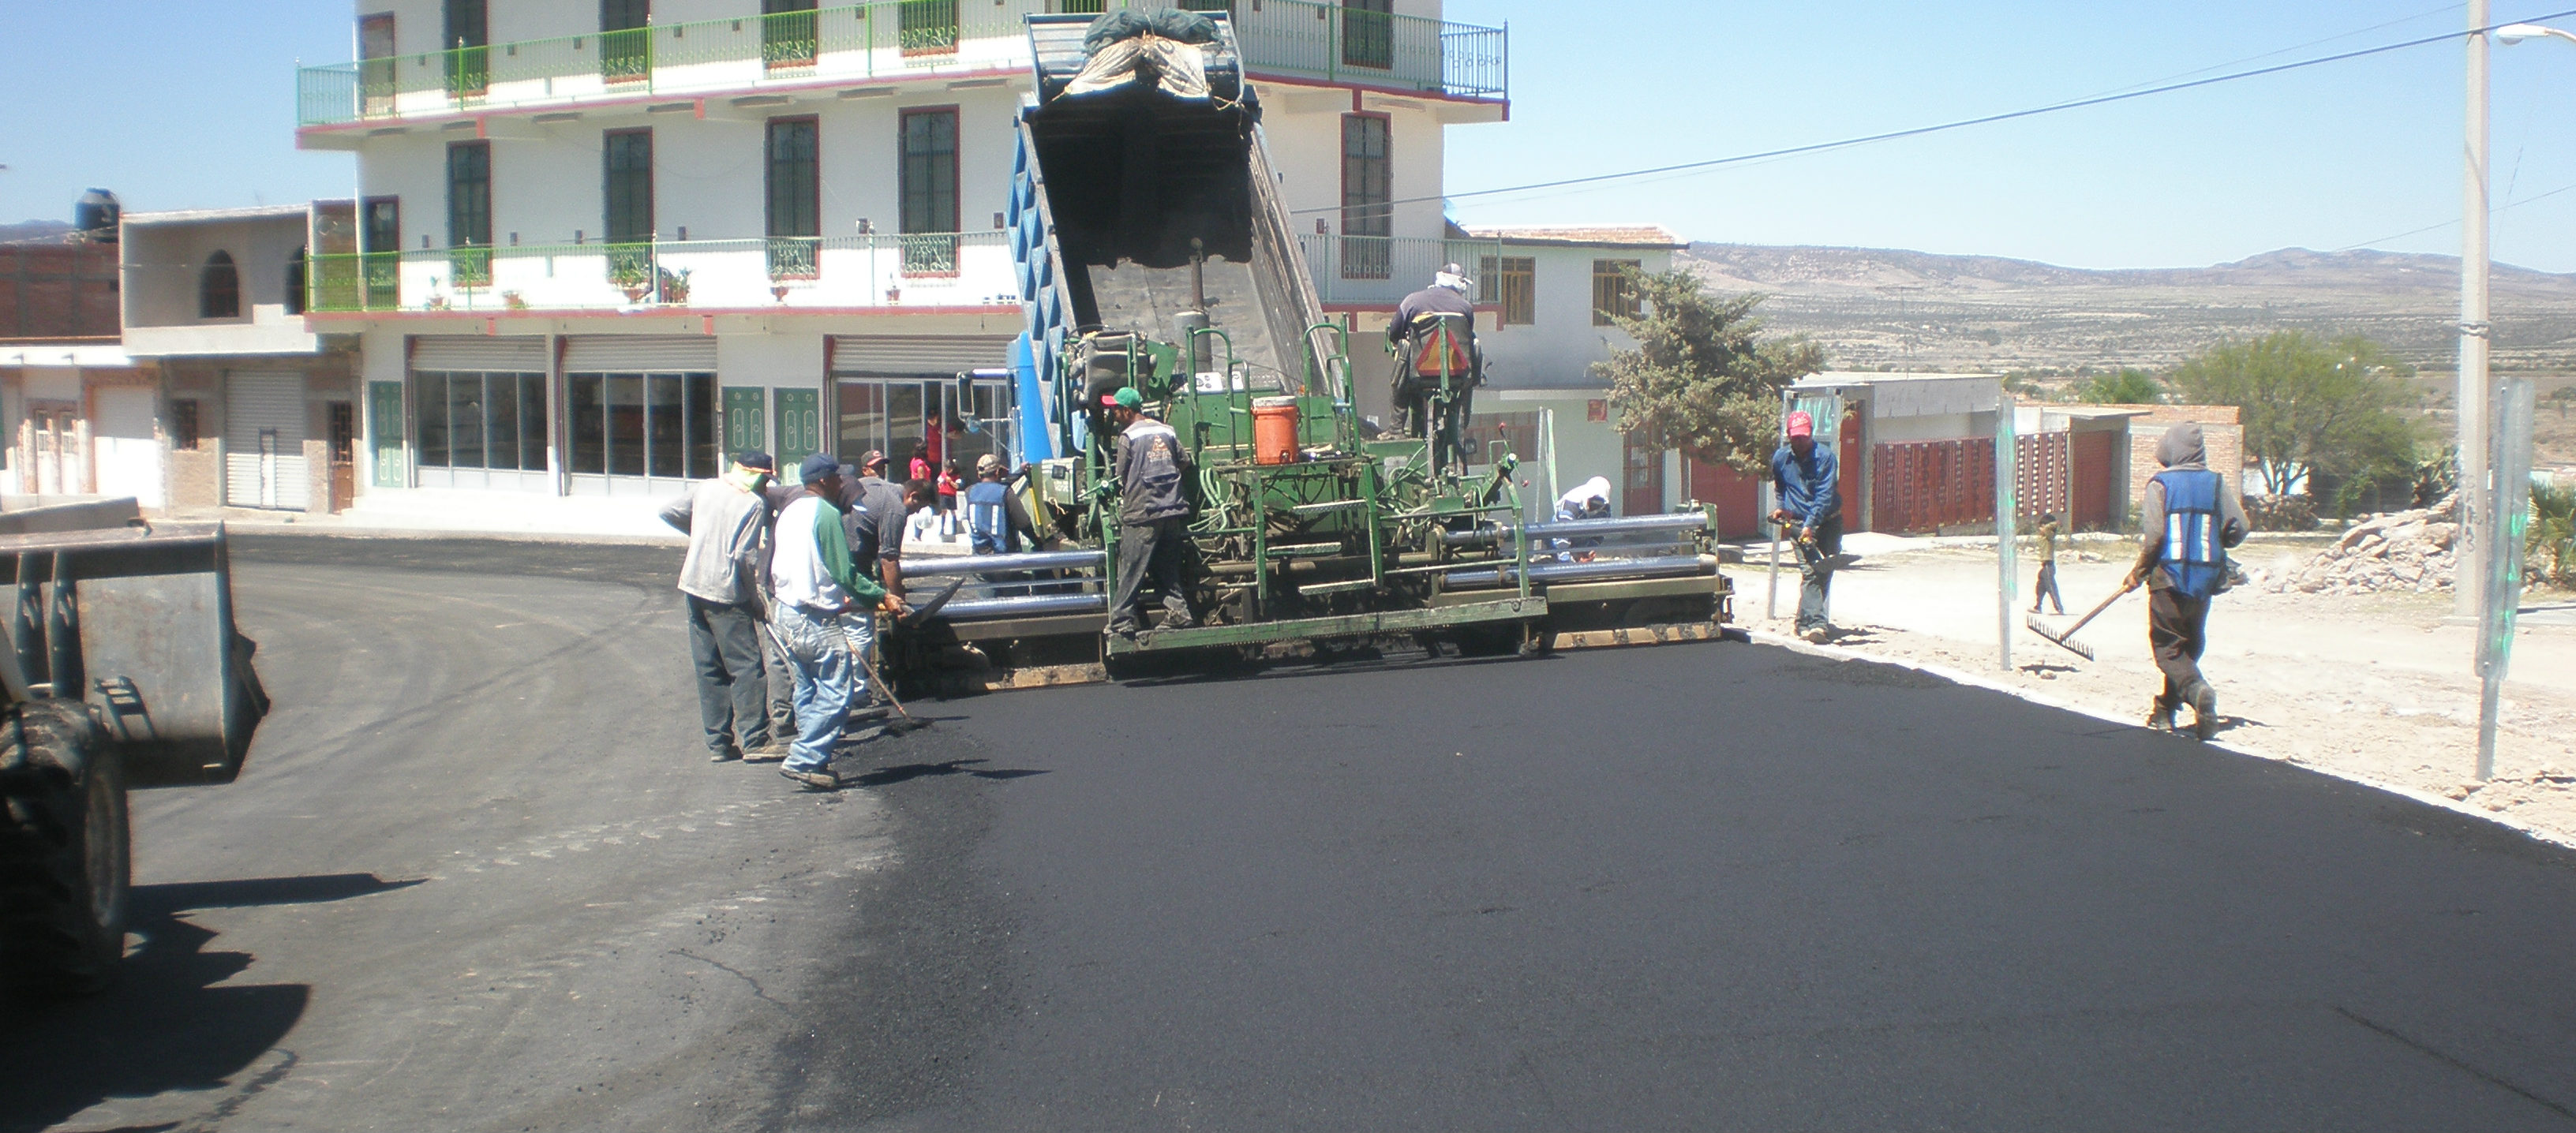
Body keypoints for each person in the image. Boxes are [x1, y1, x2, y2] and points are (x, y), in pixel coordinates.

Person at [770, 454, 908, 790]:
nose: (840, 483)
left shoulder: (790, 511)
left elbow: (806, 563)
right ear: (822, 481)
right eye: (835, 478)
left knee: (807, 688)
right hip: (812, 618)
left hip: (785, 611)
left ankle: (815, 759)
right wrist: (881, 596)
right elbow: (843, 571)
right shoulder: (825, 512)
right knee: (837, 691)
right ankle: (804, 757)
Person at [2122, 422, 2247, 739]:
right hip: (2204, 581)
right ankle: (2166, 708)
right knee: (2189, 645)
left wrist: (2139, 571)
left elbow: (2155, 536)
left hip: (2168, 577)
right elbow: (2239, 527)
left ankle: (2197, 691)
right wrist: (2219, 544)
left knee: (2167, 647)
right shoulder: (2216, 484)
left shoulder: (2160, 484)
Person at [657, 451, 783, 763]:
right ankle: (755, 741)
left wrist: (701, 535)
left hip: (693, 585)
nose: (767, 488)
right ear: (757, 476)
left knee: (709, 668)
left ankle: (719, 744)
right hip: (727, 593)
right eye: (766, 480)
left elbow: (668, 511)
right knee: (747, 668)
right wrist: (755, 601)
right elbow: (745, 557)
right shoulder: (753, 504)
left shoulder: (707, 487)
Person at [1103, 387, 1196, 636]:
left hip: (1142, 512)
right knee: (1166, 567)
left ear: (1128, 411)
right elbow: (1184, 461)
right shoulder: (1166, 430)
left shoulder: (1128, 437)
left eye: (1116, 409)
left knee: (1131, 568)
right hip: (1172, 510)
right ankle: (1179, 613)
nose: (1113, 413)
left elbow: (1120, 474)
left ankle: (1122, 620)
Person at [1769, 409, 1843, 644]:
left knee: (1825, 568)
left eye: (1804, 436)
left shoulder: (1826, 458)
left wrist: (1811, 525)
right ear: (1789, 435)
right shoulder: (1781, 459)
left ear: (1811, 434)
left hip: (1828, 522)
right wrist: (1781, 507)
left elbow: (1824, 496)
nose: (1800, 441)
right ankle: (1817, 625)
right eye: (1795, 436)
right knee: (1812, 571)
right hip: (1798, 524)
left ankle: (1803, 621)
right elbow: (1780, 486)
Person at [1386, 264, 1479, 439]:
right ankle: (1462, 419)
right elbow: (1467, 338)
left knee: (1403, 352)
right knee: (1476, 346)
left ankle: (1396, 429)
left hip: (1418, 372)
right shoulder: (1465, 307)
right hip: (1456, 374)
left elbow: (1395, 332)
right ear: (1458, 283)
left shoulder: (1413, 301)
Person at [966, 453, 1039, 555]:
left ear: (979, 474)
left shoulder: (970, 492)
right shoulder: (1006, 493)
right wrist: (1036, 541)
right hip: (1004, 560)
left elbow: (992, 489)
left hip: (979, 559)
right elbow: (1024, 523)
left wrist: (1020, 472)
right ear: (997, 472)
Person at [1552, 475, 1612, 563]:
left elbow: (1600, 535)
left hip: (1583, 539)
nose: (1595, 506)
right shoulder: (1570, 505)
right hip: (1559, 538)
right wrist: (1569, 564)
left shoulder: (1606, 509)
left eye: (1598, 503)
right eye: (1593, 501)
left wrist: (1587, 552)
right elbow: (1562, 540)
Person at [2030, 511, 2066, 615]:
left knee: (2051, 587)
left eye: (2042, 526)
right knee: (2040, 586)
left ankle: (2059, 608)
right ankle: (2038, 606)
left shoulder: (2049, 535)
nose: (2040, 528)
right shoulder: (2043, 536)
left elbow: (2047, 528)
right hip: (2044, 566)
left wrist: (2054, 523)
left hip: (2049, 565)